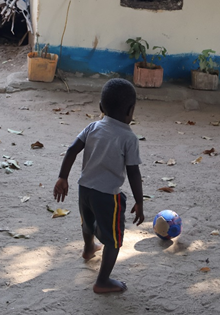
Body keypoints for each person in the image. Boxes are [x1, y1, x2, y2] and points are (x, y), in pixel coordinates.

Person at [54, 78, 144, 293]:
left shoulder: (92, 127)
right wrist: (139, 201)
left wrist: (62, 177)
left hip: (84, 189)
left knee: (88, 222)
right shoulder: (128, 138)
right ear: (131, 110)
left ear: (101, 107)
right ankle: (102, 281)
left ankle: (88, 249)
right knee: (114, 239)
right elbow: (133, 172)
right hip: (108, 197)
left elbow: (72, 150)